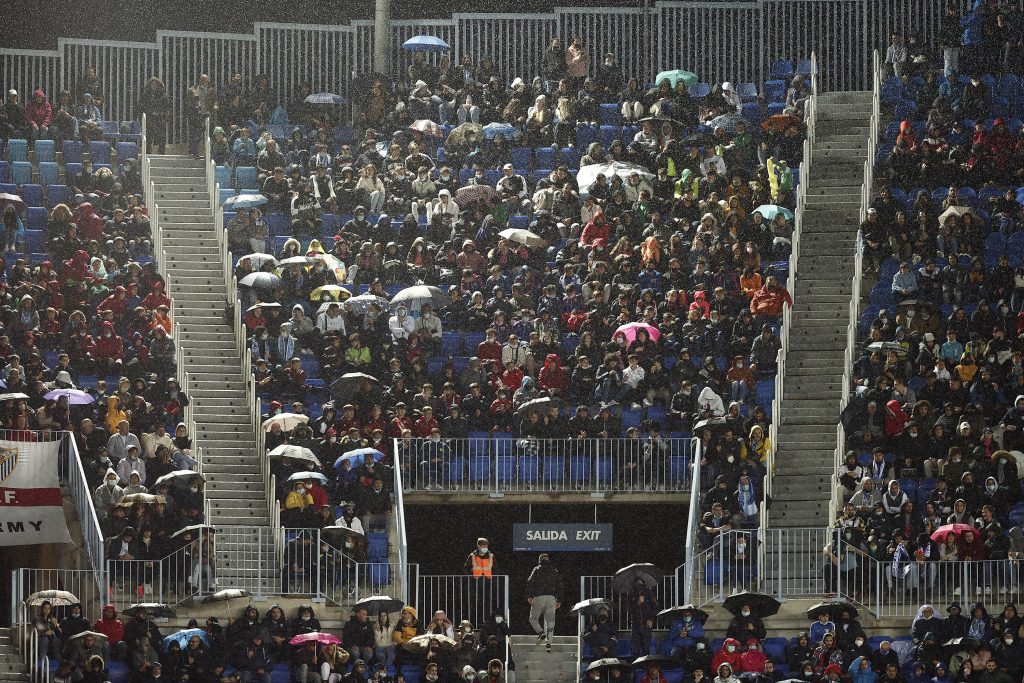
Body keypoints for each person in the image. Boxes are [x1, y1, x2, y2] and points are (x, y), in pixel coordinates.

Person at [525, 553, 562, 652]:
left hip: (539, 597)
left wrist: (529, 595)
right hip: (551, 598)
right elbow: (560, 586)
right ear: (548, 560)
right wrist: (559, 600)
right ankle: (549, 644)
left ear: (540, 560)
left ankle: (541, 632)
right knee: (550, 622)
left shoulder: (537, 569)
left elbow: (530, 582)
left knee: (533, 618)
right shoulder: (554, 570)